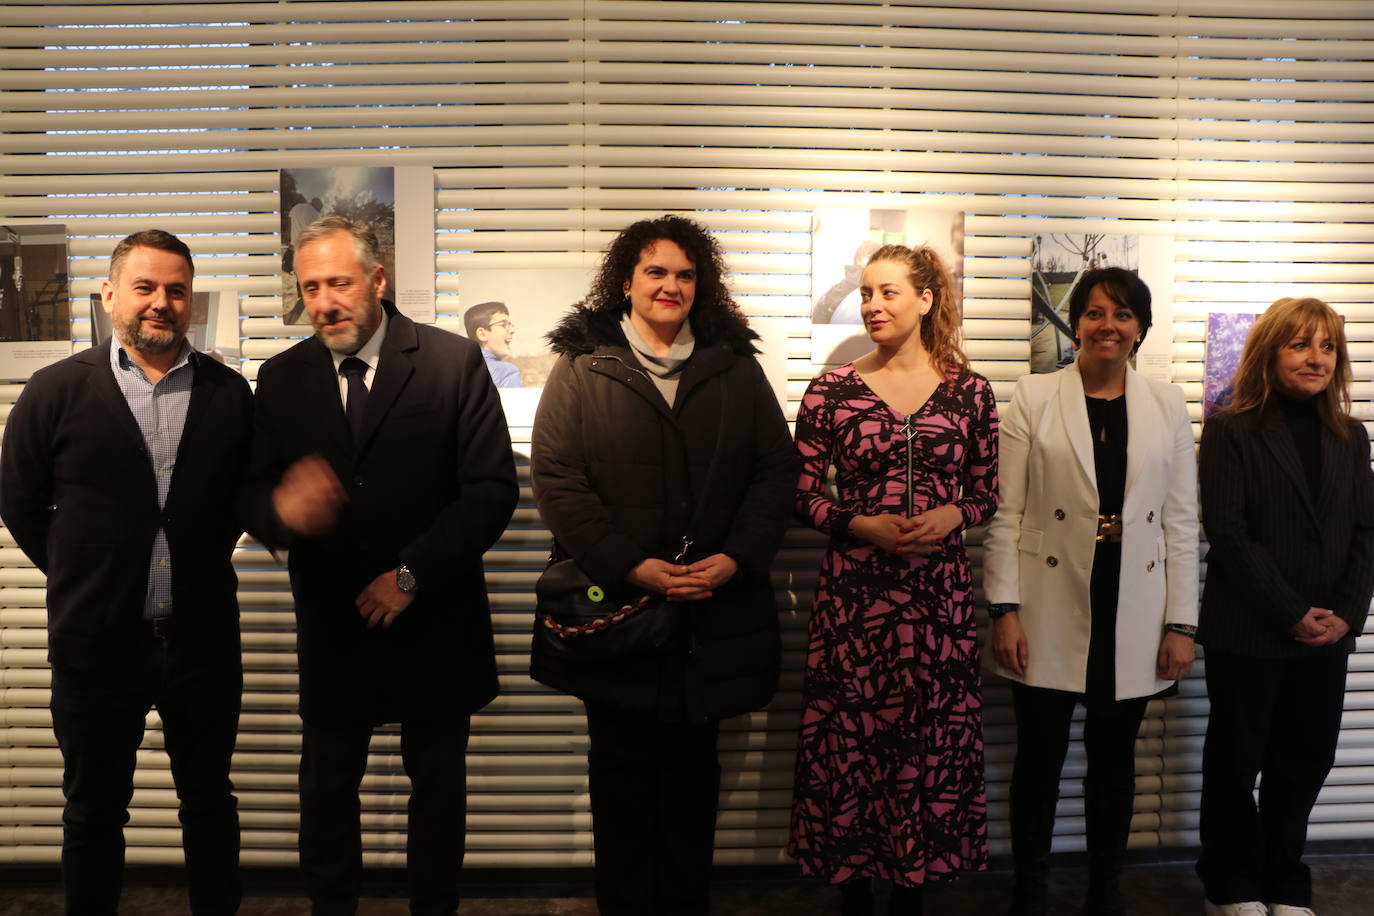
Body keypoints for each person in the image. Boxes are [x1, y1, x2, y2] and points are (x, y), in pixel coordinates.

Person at [241, 216, 518, 915]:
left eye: (339, 282)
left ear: (377, 279)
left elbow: (490, 490)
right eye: (311, 287)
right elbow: (248, 493)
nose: (326, 301)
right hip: (335, 628)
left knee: (438, 795)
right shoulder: (279, 379)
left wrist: (408, 576)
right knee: (327, 794)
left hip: (435, 618)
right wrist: (281, 511)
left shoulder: (454, 363)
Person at [529, 214, 797, 915]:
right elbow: (557, 481)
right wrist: (630, 565)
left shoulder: (734, 366)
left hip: (711, 618)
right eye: (655, 271)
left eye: (684, 273)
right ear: (626, 281)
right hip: (618, 616)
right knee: (619, 782)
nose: (670, 285)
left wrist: (735, 559)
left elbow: (776, 472)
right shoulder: (584, 365)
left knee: (691, 782)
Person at [0, 229, 253, 914]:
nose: (161, 303)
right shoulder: (55, 391)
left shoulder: (229, 394)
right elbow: (19, 499)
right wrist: (82, 572)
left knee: (209, 805)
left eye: (176, 289)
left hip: (202, 645)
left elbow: (239, 500)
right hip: (94, 648)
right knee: (92, 812)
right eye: (145, 287)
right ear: (110, 294)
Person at [789, 243, 999, 916]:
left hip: (938, 603)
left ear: (926, 299)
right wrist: (858, 524)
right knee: (852, 747)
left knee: (926, 744)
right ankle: (853, 893)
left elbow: (987, 495)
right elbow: (799, 495)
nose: (873, 305)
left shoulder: (971, 392)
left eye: (888, 293)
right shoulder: (832, 388)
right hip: (854, 602)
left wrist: (951, 514)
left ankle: (911, 891)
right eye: (867, 294)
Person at [982, 266, 1198, 916]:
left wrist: (1181, 624)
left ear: (1141, 328)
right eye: (1096, 312)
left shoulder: (1168, 404)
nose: (1109, 325)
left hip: (1134, 604)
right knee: (1039, 762)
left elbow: (1183, 521)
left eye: (1123, 313)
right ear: (1074, 324)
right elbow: (1005, 512)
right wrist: (1004, 610)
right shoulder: (1033, 394)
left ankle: (1105, 891)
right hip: (1049, 603)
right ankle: (1031, 890)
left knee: (1114, 764)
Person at [1195, 297, 1374, 916]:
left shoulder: (1352, 436)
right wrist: (1293, 611)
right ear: (1269, 353)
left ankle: (1284, 881)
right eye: (1301, 344)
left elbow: (1365, 533)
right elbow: (1229, 531)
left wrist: (1347, 614)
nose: (1317, 358)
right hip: (1249, 629)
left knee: (1305, 762)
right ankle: (1230, 882)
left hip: (1327, 636)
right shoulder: (1229, 429)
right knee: (1237, 761)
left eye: (1327, 347)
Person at [463, 299, 523, 387]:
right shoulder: (506, 373)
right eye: (504, 325)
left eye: (510, 325)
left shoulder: (457, 371)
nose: (512, 330)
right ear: (482, 334)